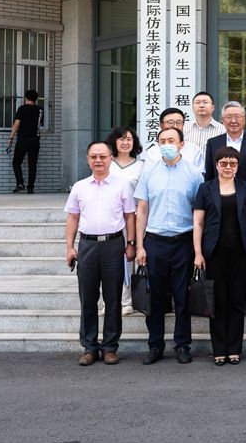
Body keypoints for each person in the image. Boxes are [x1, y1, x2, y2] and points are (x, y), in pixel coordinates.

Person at [134, 126, 204, 365]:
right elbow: (142, 210)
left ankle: (182, 345)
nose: (167, 144)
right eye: (162, 141)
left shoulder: (194, 174)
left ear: (181, 144)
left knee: (182, 297)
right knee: (154, 298)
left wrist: (198, 250)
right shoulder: (149, 172)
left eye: (171, 140)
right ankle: (155, 345)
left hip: (183, 242)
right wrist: (140, 245)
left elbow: (199, 213)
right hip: (155, 242)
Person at [65, 141, 136, 366]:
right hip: (87, 245)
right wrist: (70, 247)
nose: (98, 160)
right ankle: (89, 347)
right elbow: (73, 217)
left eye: (103, 156)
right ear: (88, 159)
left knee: (113, 298)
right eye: (94, 156)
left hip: (114, 245)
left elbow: (130, 216)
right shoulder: (79, 187)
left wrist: (131, 243)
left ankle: (110, 348)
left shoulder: (122, 185)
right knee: (88, 298)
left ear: (110, 159)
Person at [192, 147, 246, 365]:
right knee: (218, 301)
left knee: (236, 301)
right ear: (216, 165)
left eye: (232, 163)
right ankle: (219, 349)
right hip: (214, 253)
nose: (228, 167)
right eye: (223, 163)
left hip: (240, 252)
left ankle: (235, 349)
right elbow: (198, 223)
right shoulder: (205, 188)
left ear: (238, 166)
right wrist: (198, 253)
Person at [204, 101, 246, 311]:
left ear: (244, 119)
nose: (233, 120)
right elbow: (209, 176)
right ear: (222, 120)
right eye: (229, 117)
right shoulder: (213, 143)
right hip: (220, 205)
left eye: (238, 116)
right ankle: (221, 302)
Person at [104, 125, 145, 316]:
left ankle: (128, 301)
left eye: (129, 139)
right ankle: (110, 302)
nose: (125, 142)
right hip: (110, 218)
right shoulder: (107, 163)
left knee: (130, 258)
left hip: (134, 218)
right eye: (121, 139)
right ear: (114, 142)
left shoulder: (141, 166)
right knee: (109, 263)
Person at [145, 108, 205, 174]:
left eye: (179, 122)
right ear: (161, 126)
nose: (175, 126)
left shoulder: (194, 150)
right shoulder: (152, 152)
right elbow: (148, 175)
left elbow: (200, 176)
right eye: (170, 122)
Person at [7, 89, 43, 193]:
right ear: (36, 99)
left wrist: (11, 137)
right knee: (32, 165)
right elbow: (38, 124)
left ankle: (20, 183)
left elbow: (16, 124)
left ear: (26, 98)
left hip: (23, 139)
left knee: (16, 162)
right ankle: (30, 188)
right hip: (35, 140)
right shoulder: (40, 110)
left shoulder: (22, 109)